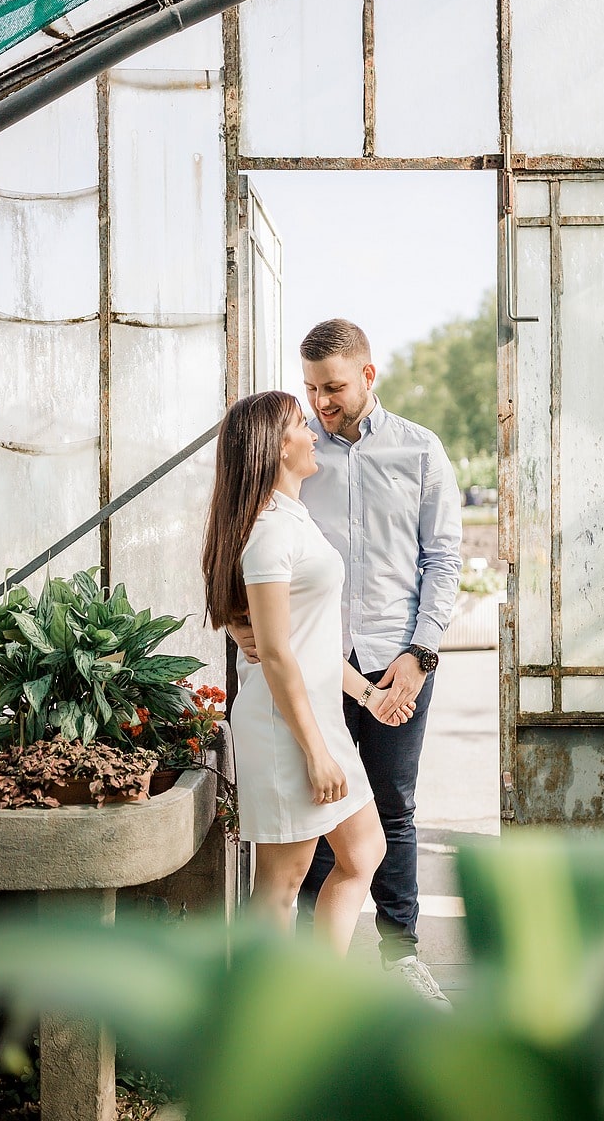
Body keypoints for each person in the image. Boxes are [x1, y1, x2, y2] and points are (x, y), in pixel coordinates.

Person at [232, 322, 462, 1005]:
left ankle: (401, 959)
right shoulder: (296, 459)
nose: (318, 404)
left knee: (390, 812)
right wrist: (241, 618)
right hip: (315, 671)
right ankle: (299, 986)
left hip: (391, 667)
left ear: (368, 375)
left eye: (331, 387)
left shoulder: (421, 451)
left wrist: (420, 655)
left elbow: (443, 560)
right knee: (313, 835)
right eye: (309, 389)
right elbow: (246, 541)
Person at [202, 390, 414, 956]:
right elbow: (275, 655)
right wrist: (315, 753)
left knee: (364, 851)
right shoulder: (270, 532)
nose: (313, 431)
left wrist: (367, 695)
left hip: (317, 716)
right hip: (285, 729)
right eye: (301, 424)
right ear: (275, 448)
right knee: (281, 885)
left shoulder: (293, 516)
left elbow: (308, 642)